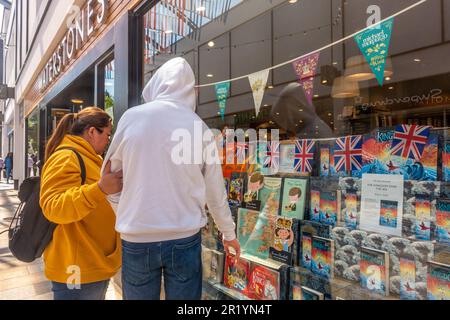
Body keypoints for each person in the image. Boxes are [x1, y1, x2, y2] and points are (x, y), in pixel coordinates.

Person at [103, 57, 240, 300]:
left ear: (157, 83)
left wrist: (126, 211)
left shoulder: (131, 118)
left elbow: (109, 179)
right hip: (184, 238)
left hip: (136, 237)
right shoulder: (199, 128)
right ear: (190, 89)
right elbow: (215, 193)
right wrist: (228, 234)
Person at [39, 107, 123, 300]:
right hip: (77, 268)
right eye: (107, 135)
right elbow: (53, 207)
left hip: (91, 263)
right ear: (92, 132)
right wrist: (100, 188)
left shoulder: (87, 157)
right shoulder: (67, 157)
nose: (108, 141)